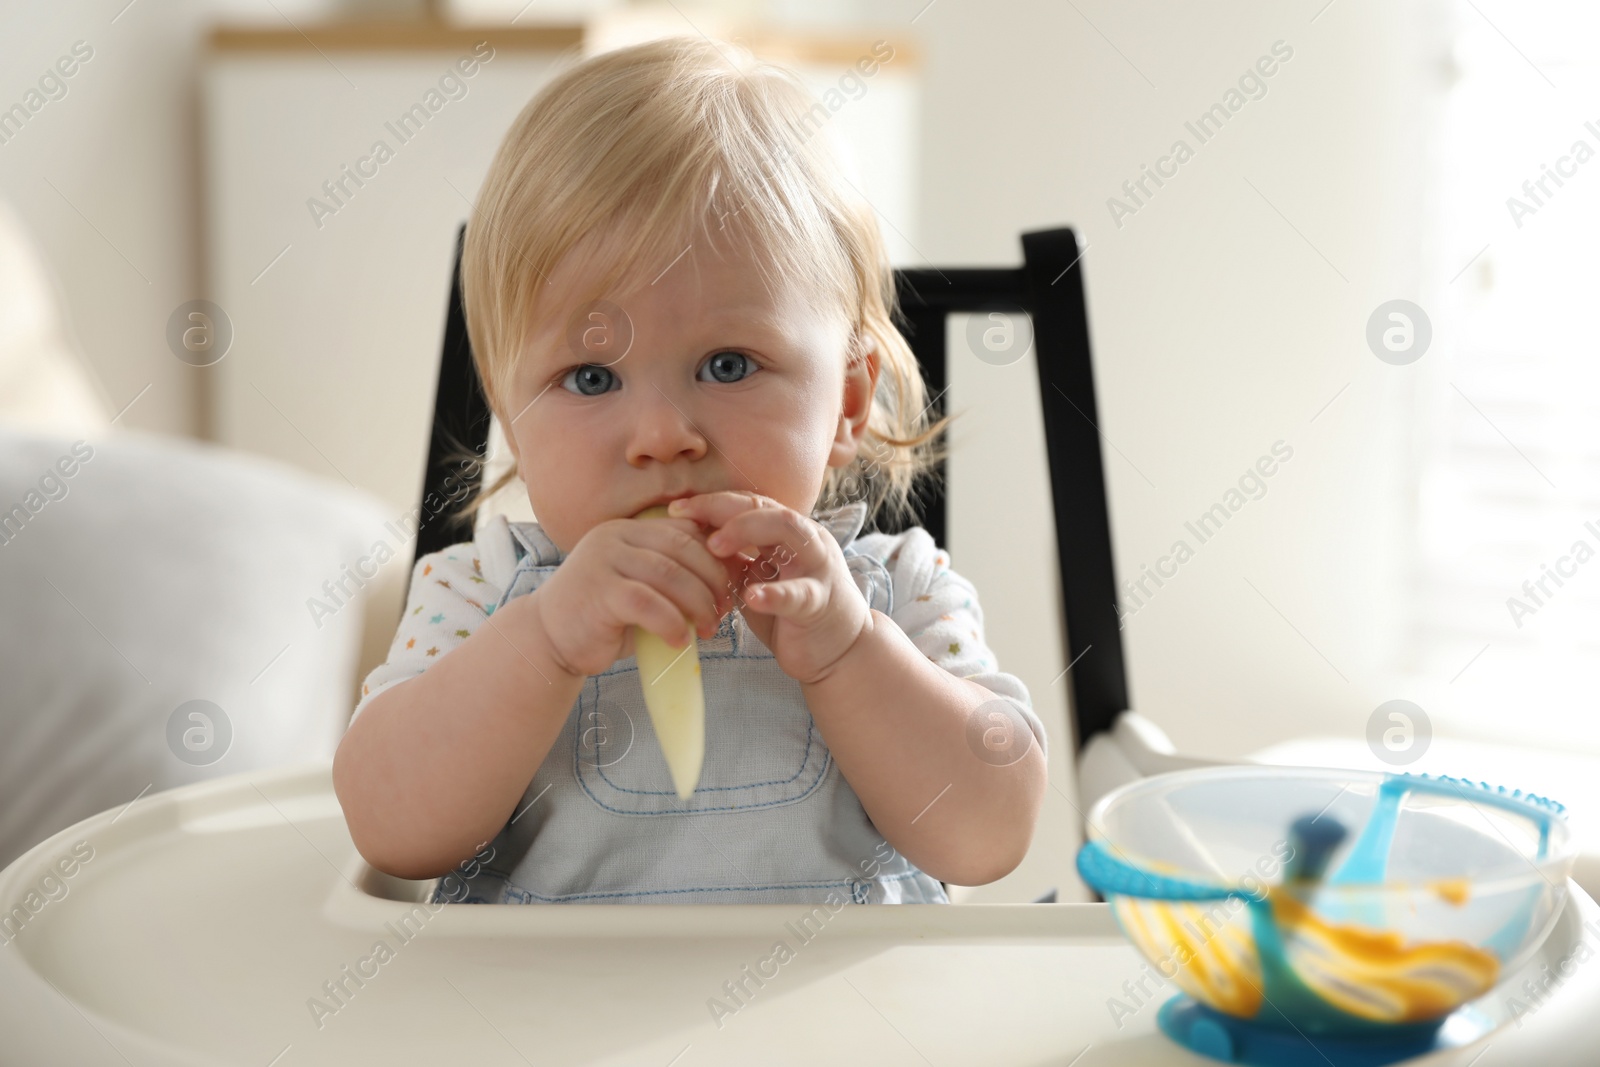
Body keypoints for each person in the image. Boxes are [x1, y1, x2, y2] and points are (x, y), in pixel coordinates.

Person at [332, 35, 1047, 905]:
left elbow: (991, 833)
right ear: (513, 419)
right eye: (591, 378)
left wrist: (851, 651)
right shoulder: (479, 595)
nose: (663, 435)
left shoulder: (900, 587)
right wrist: (546, 640)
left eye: (729, 365)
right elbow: (390, 831)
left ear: (849, 405)